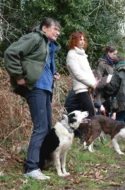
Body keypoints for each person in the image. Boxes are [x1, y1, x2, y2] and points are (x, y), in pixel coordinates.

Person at [4, 17, 61, 180]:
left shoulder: (49, 46)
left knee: (47, 127)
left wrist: (53, 75)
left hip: (45, 88)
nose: (57, 32)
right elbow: (11, 52)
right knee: (41, 127)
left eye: (59, 30)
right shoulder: (35, 38)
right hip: (36, 88)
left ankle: (39, 163)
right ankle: (31, 168)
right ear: (44, 28)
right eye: (55, 28)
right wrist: (18, 76)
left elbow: (38, 65)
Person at [66, 31, 98, 117]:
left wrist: (93, 82)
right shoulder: (72, 54)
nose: (82, 41)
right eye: (80, 40)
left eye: (83, 39)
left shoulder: (82, 54)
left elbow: (87, 71)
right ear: (74, 40)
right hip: (81, 89)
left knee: (89, 116)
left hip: (87, 88)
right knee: (90, 116)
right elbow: (77, 74)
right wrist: (91, 83)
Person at [104, 56, 125, 129]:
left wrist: (106, 84)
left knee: (119, 119)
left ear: (115, 64)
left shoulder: (118, 72)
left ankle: (121, 136)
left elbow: (113, 87)